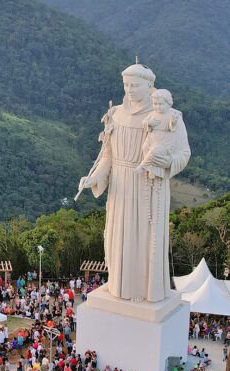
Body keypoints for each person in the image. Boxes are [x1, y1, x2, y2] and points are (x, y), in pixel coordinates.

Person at [78, 63, 190, 302]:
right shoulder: (115, 114)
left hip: (149, 187)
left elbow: (184, 153)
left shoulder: (168, 118)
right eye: (126, 84)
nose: (129, 89)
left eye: (135, 85)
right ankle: (120, 286)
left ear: (149, 85)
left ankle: (144, 290)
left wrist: (165, 161)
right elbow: (108, 154)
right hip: (119, 186)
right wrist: (95, 177)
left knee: (144, 240)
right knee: (118, 238)